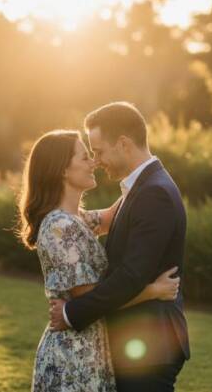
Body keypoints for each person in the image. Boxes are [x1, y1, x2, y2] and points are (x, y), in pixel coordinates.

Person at [18, 129, 180, 391]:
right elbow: (92, 297)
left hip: (91, 349)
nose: (93, 162)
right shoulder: (60, 226)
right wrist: (153, 291)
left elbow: (115, 213)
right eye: (84, 157)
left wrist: (144, 171)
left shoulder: (76, 219)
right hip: (73, 357)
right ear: (62, 170)